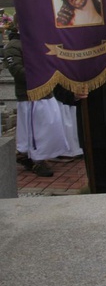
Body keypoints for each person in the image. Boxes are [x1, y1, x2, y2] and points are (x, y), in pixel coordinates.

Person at [5, 19, 66, 177]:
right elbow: (17, 70)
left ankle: (27, 155)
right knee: (35, 130)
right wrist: (41, 75)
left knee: (49, 127)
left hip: (45, 91)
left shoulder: (36, 41)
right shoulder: (13, 46)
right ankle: (37, 160)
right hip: (29, 94)